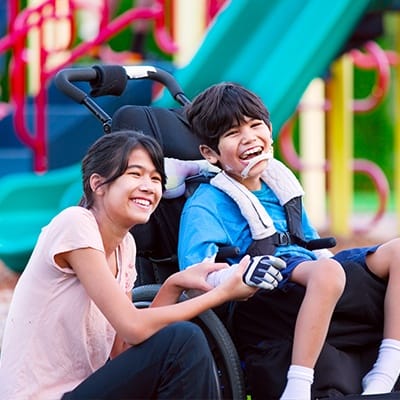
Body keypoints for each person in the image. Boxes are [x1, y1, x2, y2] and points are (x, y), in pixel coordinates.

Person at [177, 82, 400, 399]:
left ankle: (387, 368)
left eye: (255, 125)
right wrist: (232, 275)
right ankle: (297, 386)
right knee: (328, 273)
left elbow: (309, 243)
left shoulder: (278, 185)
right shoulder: (206, 204)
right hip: (262, 286)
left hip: (307, 272)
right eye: (233, 133)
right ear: (210, 153)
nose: (249, 137)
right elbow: (194, 274)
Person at [0, 129, 258, 399]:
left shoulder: (125, 246)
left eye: (156, 178)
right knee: (183, 340)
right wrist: (221, 294)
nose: (148, 186)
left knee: (179, 345)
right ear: (98, 184)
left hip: (81, 391)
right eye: (135, 174)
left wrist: (173, 285)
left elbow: (124, 346)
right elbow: (133, 325)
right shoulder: (75, 223)